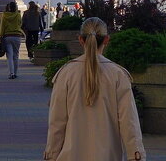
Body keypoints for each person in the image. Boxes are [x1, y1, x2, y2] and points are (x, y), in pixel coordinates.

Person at [44, 17, 145, 161]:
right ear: (106, 40)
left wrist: (51, 155)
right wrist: (135, 155)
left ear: (80, 40)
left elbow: (57, 123)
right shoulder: (118, 75)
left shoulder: (66, 74)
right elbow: (129, 122)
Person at [0, 0, 26, 79]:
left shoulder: (4, 15)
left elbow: (2, 26)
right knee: (16, 56)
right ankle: (16, 73)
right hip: (17, 36)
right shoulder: (18, 15)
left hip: (7, 36)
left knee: (9, 56)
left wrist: (0, 35)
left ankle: (11, 73)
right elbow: (20, 24)